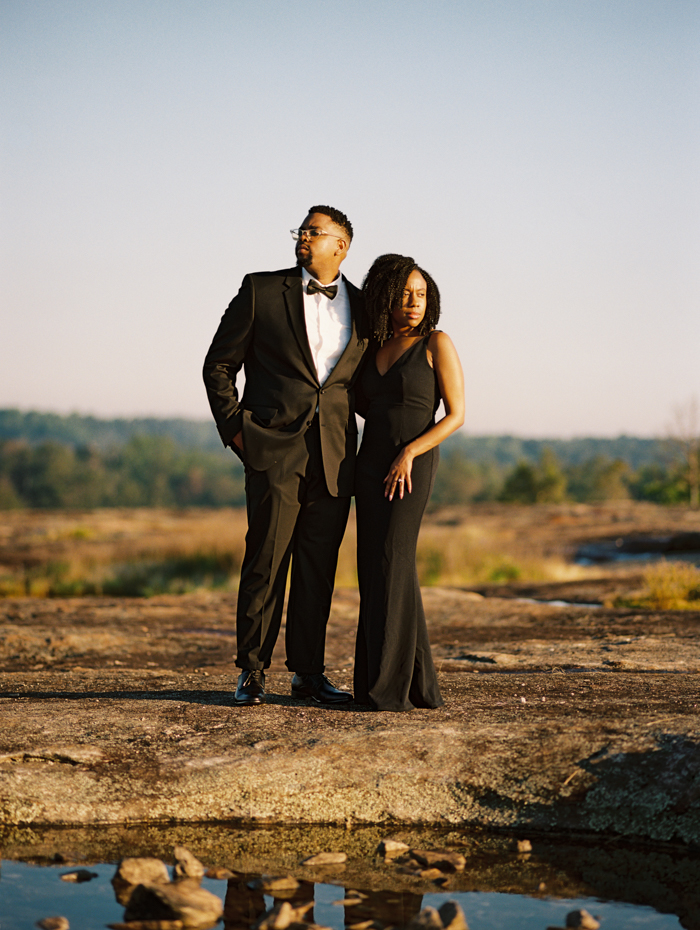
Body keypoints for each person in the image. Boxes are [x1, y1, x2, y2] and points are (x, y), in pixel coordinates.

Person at [203, 206, 366, 706]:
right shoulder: (259, 290)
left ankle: (308, 673)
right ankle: (252, 670)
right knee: (266, 560)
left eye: (315, 232)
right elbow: (218, 366)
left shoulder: (364, 306)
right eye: (302, 230)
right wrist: (239, 433)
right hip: (272, 449)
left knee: (319, 565)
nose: (304, 237)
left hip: (335, 456)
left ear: (341, 245)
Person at [354, 254, 465, 711]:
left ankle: (386, 690)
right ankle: (420, 685)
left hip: (412, 464)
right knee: (375, 566)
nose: (414, 303)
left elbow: (456, 415)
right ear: (385, 297)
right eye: (404, 295)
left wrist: (409, 451)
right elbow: (363, 406)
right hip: (370, 464)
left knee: (392, 560)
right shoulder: (370, 346)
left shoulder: (436, 343)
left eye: (420, 295)